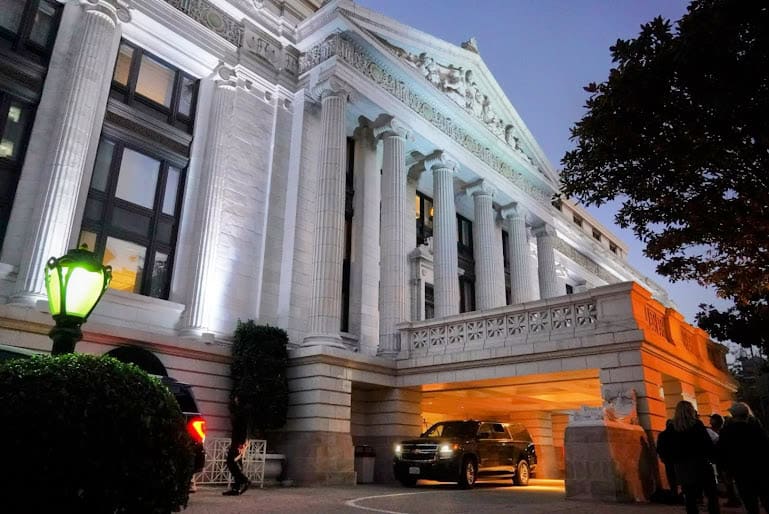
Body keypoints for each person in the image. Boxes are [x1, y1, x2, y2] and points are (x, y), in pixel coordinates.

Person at [669, 400, 720, 514]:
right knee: (711, 494)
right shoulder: (697, 425)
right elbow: (707, 444)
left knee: (690, 498)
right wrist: (713, 458)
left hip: (682, 466)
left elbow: (671, 449)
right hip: (700, 464)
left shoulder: (673, 428)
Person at [717, 402, 769, 513]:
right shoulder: (756, 428)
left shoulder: (727, 431)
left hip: (740, 471)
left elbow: (722, 452)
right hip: (759, 468)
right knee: (765, 497)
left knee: (750, 501)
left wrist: (725, 470)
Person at [222, 394, 251, 496]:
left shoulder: (242, 412)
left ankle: (243, 480)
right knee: (236, 462)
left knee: (231, 461)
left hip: (238, 441)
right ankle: (236, 487)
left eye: (236, 397)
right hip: (239, 441)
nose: (235, 399)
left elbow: (242, 429)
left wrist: (240, 443)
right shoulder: (242, 411)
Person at [657, 419, 682, 502]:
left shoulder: (662, 434)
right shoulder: (678, 434)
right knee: (680, 477)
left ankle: (674, 494)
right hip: (678, 459)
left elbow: (659, 448)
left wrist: (662, 457)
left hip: (668, 459)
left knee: (671, 478)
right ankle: (682, 495)